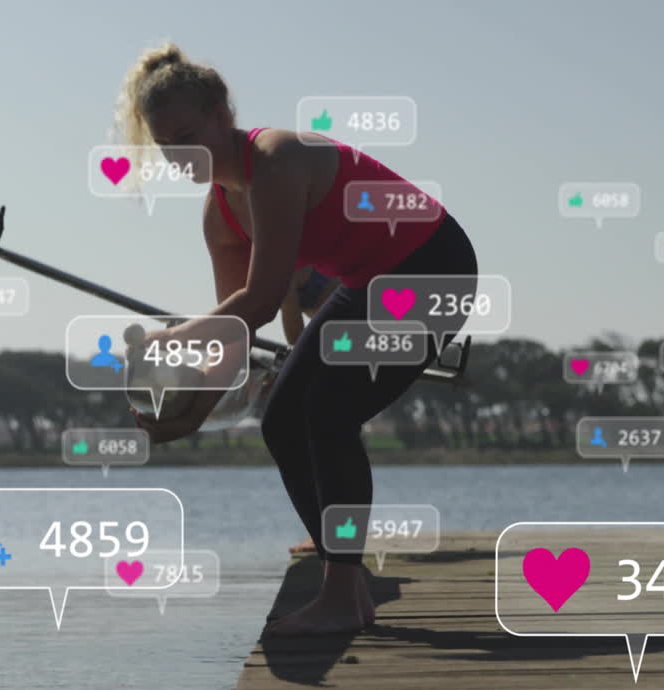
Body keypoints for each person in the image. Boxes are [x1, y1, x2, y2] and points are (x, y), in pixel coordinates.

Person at [116, 43, 478, 634]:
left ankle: (339, 596)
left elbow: (260, 300)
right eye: (165, 145)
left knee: (328, 412)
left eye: (187, 136)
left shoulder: (275, 160)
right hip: (367, 284)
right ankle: (349, 591)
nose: (178, 155)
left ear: (221, 115)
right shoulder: (219, 215)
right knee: (283, 420)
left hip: (433, 268)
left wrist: (172, 338)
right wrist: (193, 414)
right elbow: (238, 333)